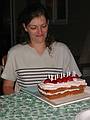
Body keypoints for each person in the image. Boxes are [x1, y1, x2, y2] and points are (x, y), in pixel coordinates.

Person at [1, 3, 81, 95]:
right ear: (25, 27)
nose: (40, 32)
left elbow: (76, 81)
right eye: (33, 27)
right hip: (26, 105)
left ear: (48, 23)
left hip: (57, 103)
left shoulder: (62, 50)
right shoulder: (15, 53)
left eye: (43, 26)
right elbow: (7, 86)